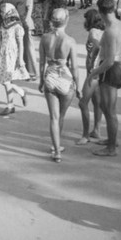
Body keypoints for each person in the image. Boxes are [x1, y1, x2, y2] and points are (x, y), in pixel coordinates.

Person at [87, 0, 121, 157]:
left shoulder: (111, 31)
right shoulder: (119, 25)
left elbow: (109, 61)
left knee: (109, 111)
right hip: (118, 67)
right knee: (105, 106)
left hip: (111, 69)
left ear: (101, 12)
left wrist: (93, 73)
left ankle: (111, 147)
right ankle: (112, 139)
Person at [39, 8, 79, 163]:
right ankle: (57, 145)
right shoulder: (70, 41)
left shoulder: (44, 38)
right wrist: (79, 86)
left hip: (50, 76)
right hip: (65, 78)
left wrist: (42, 81)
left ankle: (56, 151)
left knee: (54, 118)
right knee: (61, 115)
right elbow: (75, 67)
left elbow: (42, 62)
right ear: (66, 20)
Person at [0, 3, 29, 116]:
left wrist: (20, 59)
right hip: (4, 54)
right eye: (1, 11)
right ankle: (21, 92)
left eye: (3, 11)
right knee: (5, 80)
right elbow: (2, 40)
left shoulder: (17, 27)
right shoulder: (4, 25)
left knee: (6, 81)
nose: (2, 13)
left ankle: (10, 105)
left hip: (12, 55)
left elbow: (21, 44)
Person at [77, 9, 103, 144]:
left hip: (93, 73)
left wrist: (92, 65)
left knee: (83, 103)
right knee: (97, 102)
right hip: (100, 71)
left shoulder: (93, 32)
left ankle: (85, 135)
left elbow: (97, 46)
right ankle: (97, 130)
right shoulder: (103, 31)